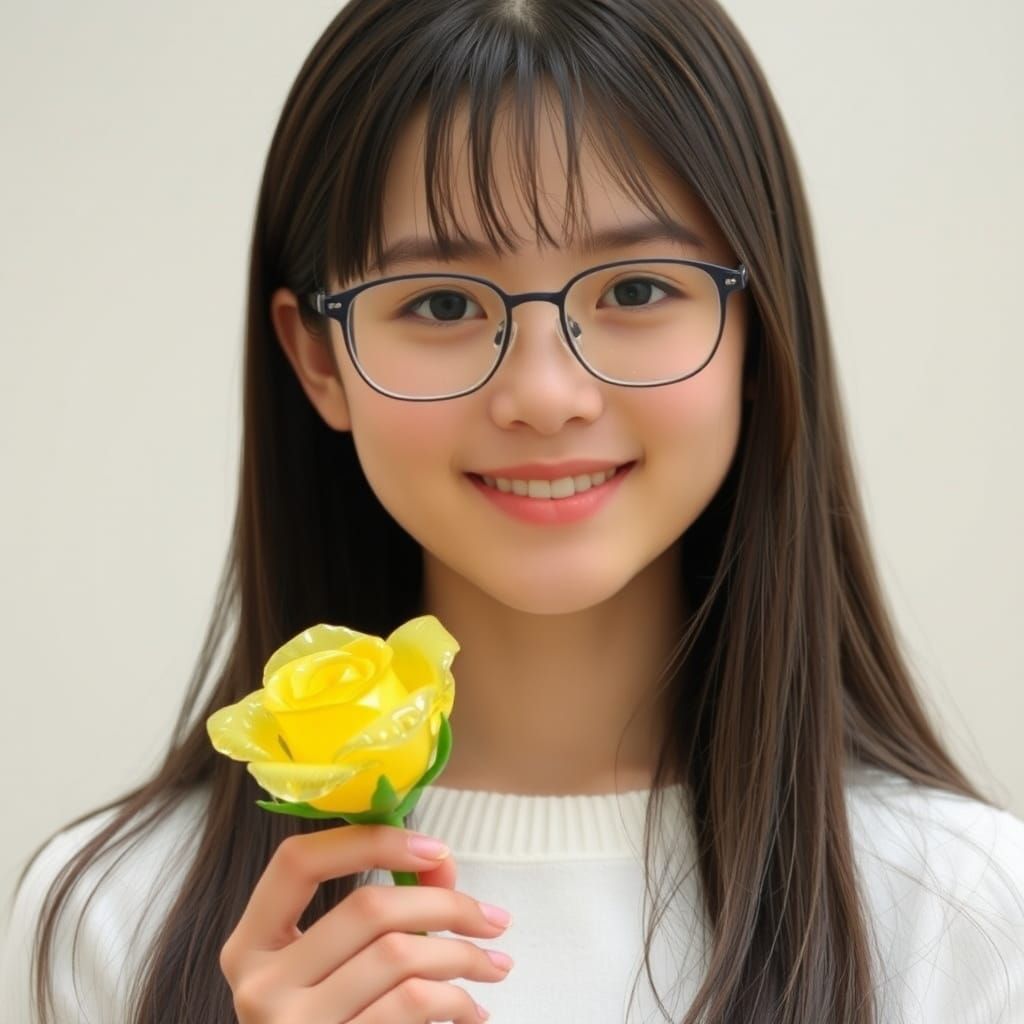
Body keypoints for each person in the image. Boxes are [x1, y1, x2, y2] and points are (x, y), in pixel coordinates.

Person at [3, 0, 1023, 1021]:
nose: (543, 393)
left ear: (756, 327)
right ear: (319, 357)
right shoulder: (113, 916)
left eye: (632, 289)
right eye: (442, 304)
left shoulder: (965, 913)